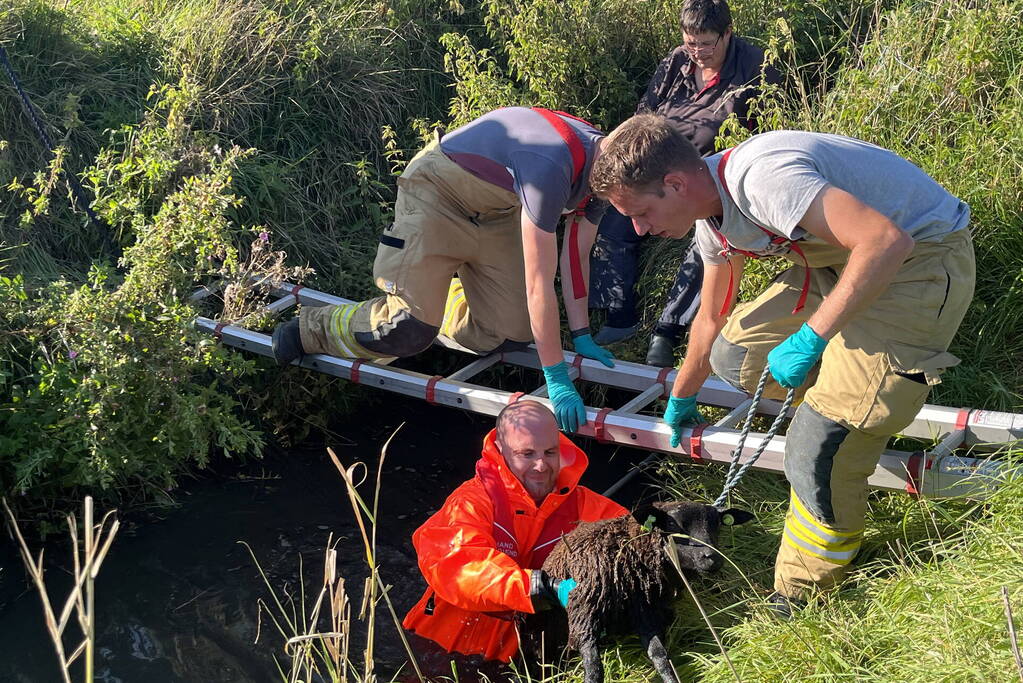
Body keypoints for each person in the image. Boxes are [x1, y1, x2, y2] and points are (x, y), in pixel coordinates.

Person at [588, 115, 975, 615]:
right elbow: (711, 316)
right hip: (837, 262)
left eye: (640, 213)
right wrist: (682, 394)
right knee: (736, 354)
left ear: (675, 183)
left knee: (817, 451)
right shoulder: (711, 220)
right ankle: (850, 399)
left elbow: (886, 242)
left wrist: (812, 338)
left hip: (918, 262)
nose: (640, 229)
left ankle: (802, 594)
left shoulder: (764, 180)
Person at [271, 107, 617, 432]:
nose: (642, 228)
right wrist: (556, 375)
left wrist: (582, 333)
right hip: (437, 196)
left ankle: (440, 297)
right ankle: (311, 329)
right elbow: (539, 283)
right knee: (407, 329)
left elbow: (575, 253)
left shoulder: (607, 167)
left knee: (512, 334)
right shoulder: (552, 165)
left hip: (495, 214)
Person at [589, 0, 779, 367]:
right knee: (615, 221)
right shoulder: (676, 62)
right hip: (655, 162)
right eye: (691, 43)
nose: (698, 52)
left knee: (708, 243)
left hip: (705, 170)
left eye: (707, 44)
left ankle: (668, 329)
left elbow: (765, 127)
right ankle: (618, 315)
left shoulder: (755, 66)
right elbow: (644, 113)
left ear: (727, 33)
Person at [402, 400, 627, 670]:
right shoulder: (472, 500)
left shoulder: (585, 505)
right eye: (527, 454)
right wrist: (542, 586)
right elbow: (460, 566)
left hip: (519, 651)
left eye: (550, 452)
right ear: (501, 451)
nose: (542, 466)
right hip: (443, 642)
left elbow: (634, 535)